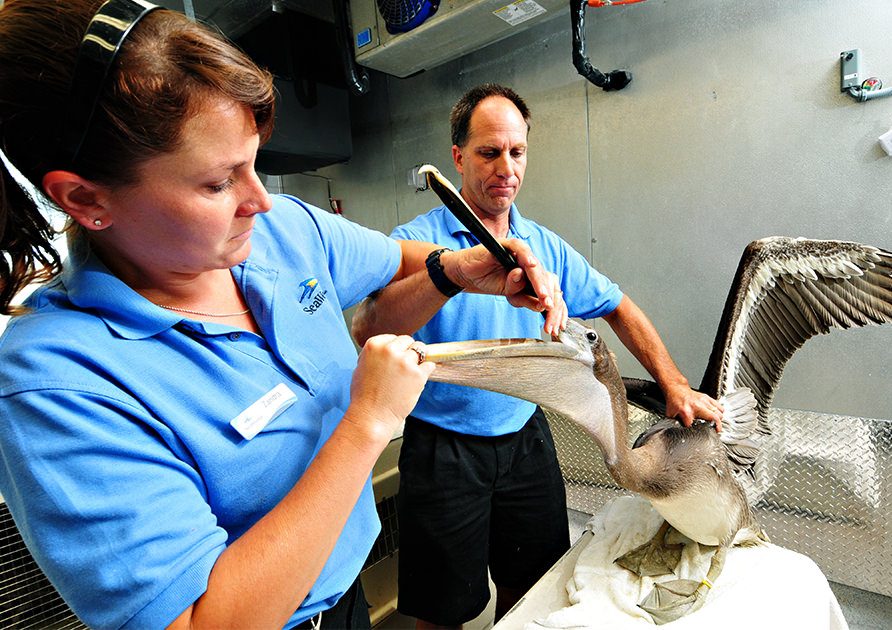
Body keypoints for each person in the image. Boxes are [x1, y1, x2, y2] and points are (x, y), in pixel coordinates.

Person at [0, 5, 567, 630]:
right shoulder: (57, 380)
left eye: (253, 162)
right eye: (218, 183)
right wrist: (367, 422)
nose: (259, 199)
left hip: (344, 597)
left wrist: (458, 267)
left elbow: (394, 258)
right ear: (85, 198)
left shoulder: (281, 232)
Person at [352, 84, 724, 629]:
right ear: (458, 157)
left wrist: (673, 383)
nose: (506, 166)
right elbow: (372, 329)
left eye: (517, 151)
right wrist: (452, 273)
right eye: (488, 152)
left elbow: (618, 305)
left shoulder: (544, 247)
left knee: (532, 588)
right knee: (441, 609)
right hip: (443, 450)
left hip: (525, 439)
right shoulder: (416, 241)